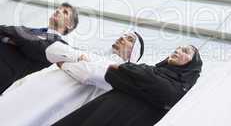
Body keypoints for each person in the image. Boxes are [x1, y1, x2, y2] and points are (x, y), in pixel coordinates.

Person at [0, 31, 144, 126]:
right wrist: (79, 57)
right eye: (123, 35)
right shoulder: (93, 55)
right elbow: (52, 50)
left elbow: (88, 73)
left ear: (134, 53)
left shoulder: (120, 72)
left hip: (48, 102)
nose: (122, 38)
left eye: (129, 39)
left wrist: (65, 62)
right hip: (29, 89)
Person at [53, 45, 203, 126]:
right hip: (101, 109)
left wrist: (127, 70)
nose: (177, 50)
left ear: (191, 66)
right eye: (178, 48)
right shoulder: (152, 70)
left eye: (185, 51)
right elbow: (112, 74)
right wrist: (132, 74)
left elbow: (164, 91)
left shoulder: (180, 89)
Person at [0, 2, 79, 94]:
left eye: (65, 12)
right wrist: (14, 38)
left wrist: (12, 35)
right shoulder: (30, 30)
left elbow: (32, 46)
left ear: (69, 25)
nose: (58, 10)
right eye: (59, 8)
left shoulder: (59, 45)